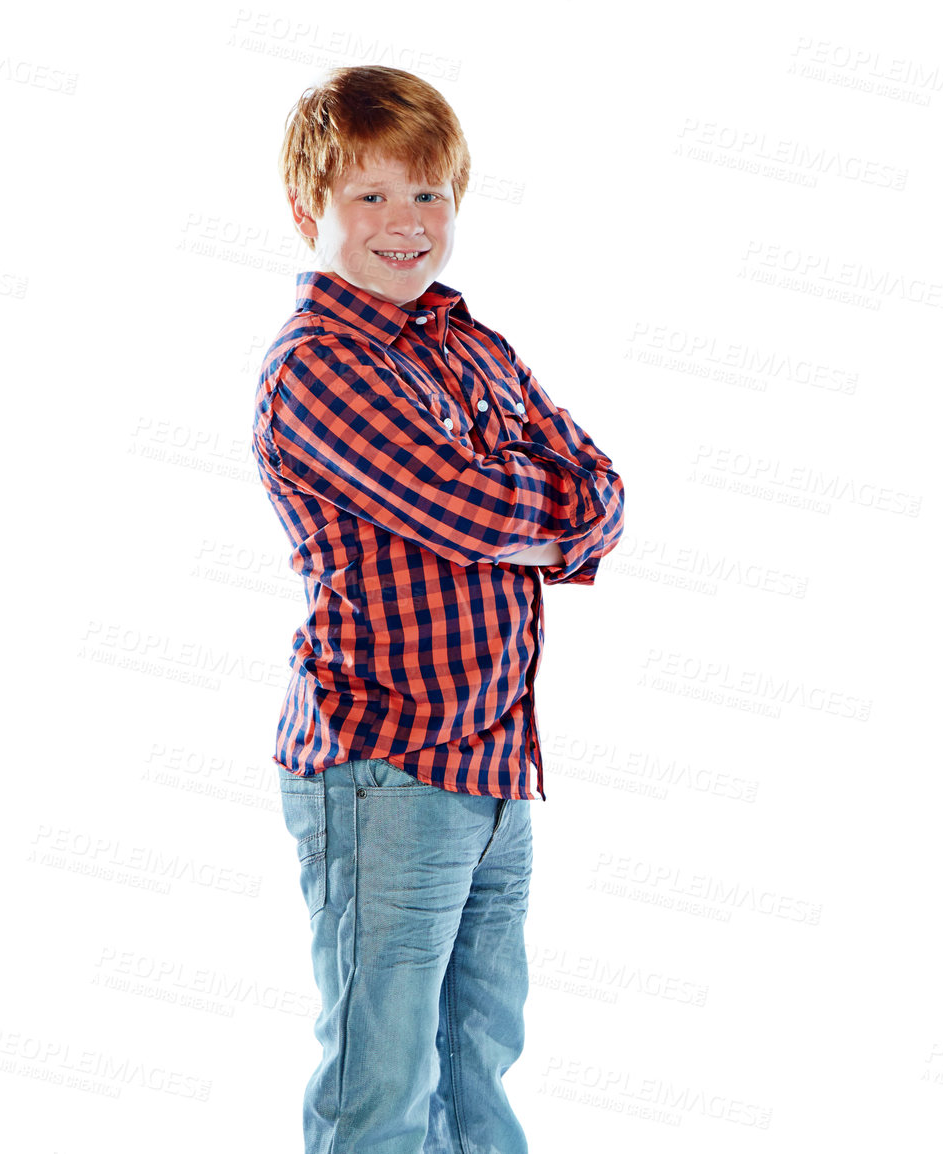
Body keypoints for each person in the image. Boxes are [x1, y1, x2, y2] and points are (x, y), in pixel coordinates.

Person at [250, 64, 626, 1153]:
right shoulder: (317, 367)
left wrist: (538, 511)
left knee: (480, 1057)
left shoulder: (474, 344)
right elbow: (458, 505)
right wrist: (529, 508)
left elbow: (599, 488)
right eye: (370, 196)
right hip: (386, 768)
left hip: (498, 766)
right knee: (384, 1074)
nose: (404, 225)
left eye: (428, 196)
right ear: (307, 209)